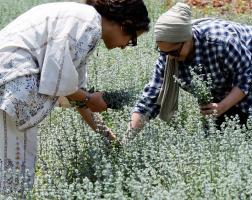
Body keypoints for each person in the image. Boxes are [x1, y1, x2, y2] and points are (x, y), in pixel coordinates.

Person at [0, 0, 150, 196]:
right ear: (125, 24)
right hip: (13, 84)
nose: (125, 47)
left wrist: (110, 138)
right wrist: (89, 98)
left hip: (8, 80)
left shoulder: (83, 22)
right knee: (14, 172)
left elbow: (75, 93)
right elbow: (59, 80)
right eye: (132, 40)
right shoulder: (88, 23)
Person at [122, 2, 252, 143]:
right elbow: (151, 98)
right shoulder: (169, 56)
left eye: (174, 52)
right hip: (225, 70)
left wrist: (222, 106)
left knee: (247, 119)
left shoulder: (220, 42)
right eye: (163, 52)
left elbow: (246, 78)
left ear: (188, 38)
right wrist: (126, 140)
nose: (170, 57)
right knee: (215, 129)